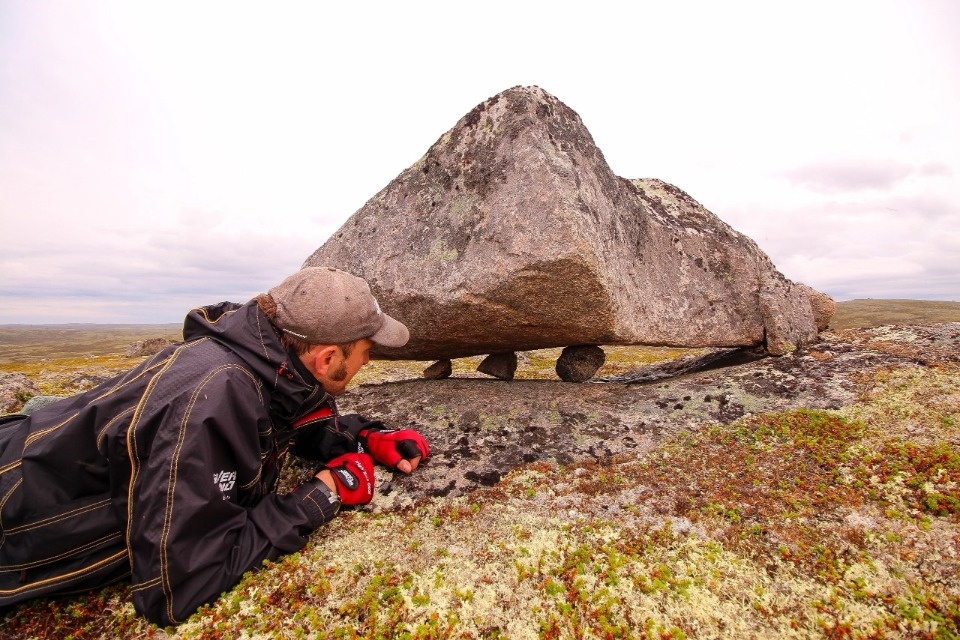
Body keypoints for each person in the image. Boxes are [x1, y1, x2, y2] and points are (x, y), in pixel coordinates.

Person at [0, 267, 429, 626]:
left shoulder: (259, 359)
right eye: (366, 350)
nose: (369, 361)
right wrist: (322, 495)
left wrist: (362, 436)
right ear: (327, 358)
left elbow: (284, 415)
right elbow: (178, 582)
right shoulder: (211, 400)